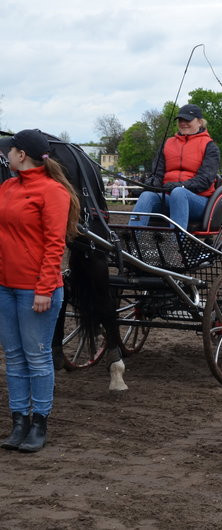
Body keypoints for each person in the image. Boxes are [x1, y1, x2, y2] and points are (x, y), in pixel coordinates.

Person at [0, 129, 80, 453]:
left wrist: (45, 289)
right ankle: (18, 421)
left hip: (36, 289)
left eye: (11, 151)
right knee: (14, 357)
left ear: (22, 155)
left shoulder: (53, 192)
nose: (6, 155)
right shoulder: (6, 187)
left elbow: (53, 246)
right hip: (5, 287)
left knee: (37, 357)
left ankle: (39, 423)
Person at [129, 104, 220, 229]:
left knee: (179, 193)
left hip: (199, 202)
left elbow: (204, 180)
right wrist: (151, 184)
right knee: (147, 196)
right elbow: (158, 174)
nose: (183, 123)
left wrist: (179, 186)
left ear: (200, 122)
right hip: (168, 197)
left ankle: (175, 243)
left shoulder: (210, 146)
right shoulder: (167, 144)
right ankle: (134, 237)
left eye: (187, 120)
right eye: (180, 120)